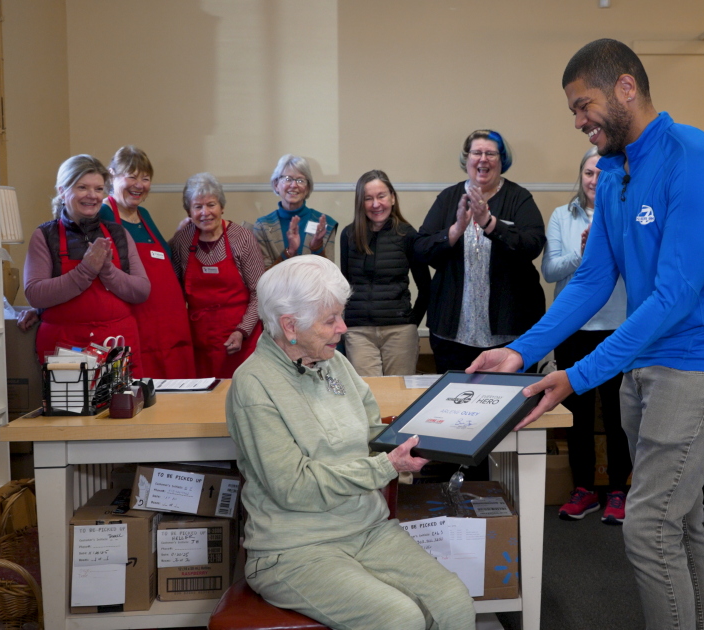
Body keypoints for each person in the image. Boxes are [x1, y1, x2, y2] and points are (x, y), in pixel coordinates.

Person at [467, 39, 704, 630]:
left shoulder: (692, 158)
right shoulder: (618, 172)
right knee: (679, 523)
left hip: (703, 364)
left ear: (626, 88)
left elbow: (676, 295)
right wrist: (522, 349)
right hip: (648, 366)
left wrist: (577, 375)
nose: (578, 122)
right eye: (573, 110)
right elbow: (593, 279)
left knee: (648, 528)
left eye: (584, 105)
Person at [227, 255, 475, 630]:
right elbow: (294, 487)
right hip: (295, 550)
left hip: (368, 530)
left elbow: (374, 435)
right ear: (290, 325)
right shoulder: (253, 384)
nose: (343, 327)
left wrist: (437, 433)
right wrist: (386, 466)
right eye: (330, 320)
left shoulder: (334, 364)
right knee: (401, 619)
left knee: (455, 603)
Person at [542, 147, 632, 524]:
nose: (594, 180)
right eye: (588, 174)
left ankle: (617, 491)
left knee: (617, 415)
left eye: (601, 173)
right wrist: (583, 254)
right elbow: (550, 270)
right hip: (574, 330)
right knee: (577, 415)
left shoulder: (627, 212)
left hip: (618, 329)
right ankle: (583, 489)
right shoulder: (562, 216)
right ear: (580, 177)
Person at [415, 130, 546, 373]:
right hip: (452, 333)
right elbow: (422, 250)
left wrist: (489, 223)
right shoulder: (449, 197)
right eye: (477, 152)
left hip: (510, 331)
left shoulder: (518, 197)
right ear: (467, 159)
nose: (483, 159)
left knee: (508, 405)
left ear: (501, 160)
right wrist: (455, 230)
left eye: (490, 153)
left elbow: (533, 244)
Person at [24, 155, 149, 366]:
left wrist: (107, 270)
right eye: (82, 187)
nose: (92, 196)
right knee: (73, 400)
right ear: (62, 191)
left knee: (121, 400)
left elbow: (141, 291)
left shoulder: (118, 234)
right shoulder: (45, 235)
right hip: (64, 347)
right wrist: (85, 271)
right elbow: (35, 295)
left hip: (116, 344)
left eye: (98, 189)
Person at [98, 145, 196, 378]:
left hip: (171, 327)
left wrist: (179, 235)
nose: (139, 184)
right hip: (140, 325)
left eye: (146, 178)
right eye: (131, 176)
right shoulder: (104, 213)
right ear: (112, 175)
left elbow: (161, 257)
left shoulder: (144, 215)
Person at [169, 173, 266, 378]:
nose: (205, 212)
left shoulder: (242, 238)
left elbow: (260, 293)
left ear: (222, 206)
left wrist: (242, 331)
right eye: (197, 207)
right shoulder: (182, 240)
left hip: (241, 339)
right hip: (198, 342)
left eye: (211, 205)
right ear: (189, 211)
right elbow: (173, 291)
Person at [339, 170, 431, 376]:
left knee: (398, 396)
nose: (375, 204)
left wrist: (411, 322)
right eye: (368, 198)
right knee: (368, 395)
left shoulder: (407, 234)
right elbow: (344, 286)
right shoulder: (349, 235)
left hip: (399, 331)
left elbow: (426, 286)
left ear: (392, 197)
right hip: (358, 331)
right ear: (360, 203)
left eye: (381, 196)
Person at [252, 154, 338, 267]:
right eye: (287, 179)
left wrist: (317, 246)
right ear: (276, 184)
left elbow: (329, 274)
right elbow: (263, 277)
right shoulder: (263, 226)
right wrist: (290, 252)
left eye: (300, 180)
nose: (294, 185)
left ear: (307, 188)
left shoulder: (325, 224)